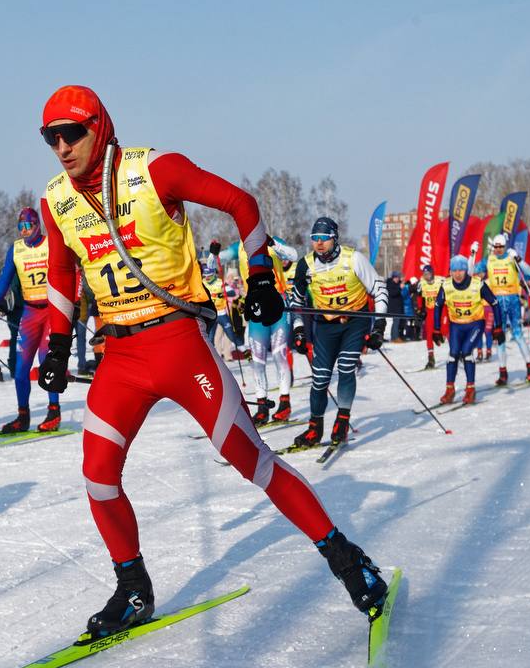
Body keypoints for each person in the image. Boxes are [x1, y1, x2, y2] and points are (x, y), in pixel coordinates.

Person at [31, 85, 389, 638]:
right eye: (50, 137)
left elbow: (241, 204)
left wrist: (262, 274)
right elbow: (60, 274)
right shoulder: (55, 199)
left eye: (71, 133)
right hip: (120, 356)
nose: (61, 147)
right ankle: (133, 589)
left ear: (99, 127)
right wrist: (57, 344)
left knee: (251, 459)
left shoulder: (155, 169)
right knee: (98, 478)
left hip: (177, 344)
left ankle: (347, 561)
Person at [288, 216, 388, 448]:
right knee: (320, 377)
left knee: (345, 367)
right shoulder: (306, 265)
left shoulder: (353, 259)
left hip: (355, 321)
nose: (319, 243)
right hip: (325, 325)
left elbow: (379, 288)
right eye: (315, 238)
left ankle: (342, 420)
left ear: (335, 238)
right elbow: (295, 302)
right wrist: (299, 330)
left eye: (324, 238)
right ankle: (315, 428)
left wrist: (379, 327)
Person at [0, 206, 61, 434]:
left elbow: (69, 270)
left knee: (46, 360)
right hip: (29, 313)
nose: (24, 231)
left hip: (50, 310)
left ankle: (54, 410)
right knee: (20, 367)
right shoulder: (16, 249)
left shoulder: (50, 244)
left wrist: (73, 300)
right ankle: (23, 415)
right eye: (20, 227)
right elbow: (5, 278)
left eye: (28, 226)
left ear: (37, 225)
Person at [432, 255, 501, 405]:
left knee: (466, 352)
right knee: (453, 354)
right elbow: (437, 306)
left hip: (475, 324)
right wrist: (436, 329)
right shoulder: (446, 285)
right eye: (454, 270)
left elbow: (495, 303)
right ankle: (450, 389)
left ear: (466, 271)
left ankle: (470, 389)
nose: (457, 274)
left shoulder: (478, 284)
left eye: (461, 270)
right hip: (456, 325)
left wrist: (499, 327)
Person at [242, 240, 294, 425]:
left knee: (280, 355)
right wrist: (213, 255)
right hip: (256, 306)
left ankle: (284, 403)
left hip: (278, 302)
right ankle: (262, 406)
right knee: (257, 361)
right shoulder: (237, 247)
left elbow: (293, 255)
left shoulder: (269, 242)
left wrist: (273, 243)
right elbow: (212, 264)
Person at [485, 235, 530, 386]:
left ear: (505, 246)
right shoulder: (489, 259)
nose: (498, 249)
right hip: (497, 303)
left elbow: (529, 273)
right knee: (499, 336)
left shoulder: (512, 257)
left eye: (501, 246)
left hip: (512, 301)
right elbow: (471, 271)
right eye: (496, 247)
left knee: (518, 335)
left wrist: (519, 259)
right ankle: (503, 373)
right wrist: (473, 255)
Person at [417, 266, 444, 366]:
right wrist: (420, 309)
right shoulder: (421, 283)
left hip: (441, 310)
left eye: (428, 274)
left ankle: (457, 353)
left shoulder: (440, 281)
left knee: (446, 331)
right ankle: (431, 358)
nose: (426, 277)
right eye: (424, 275)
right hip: (430, 310)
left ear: (432, 273)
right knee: (428, 334)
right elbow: (419, 296)